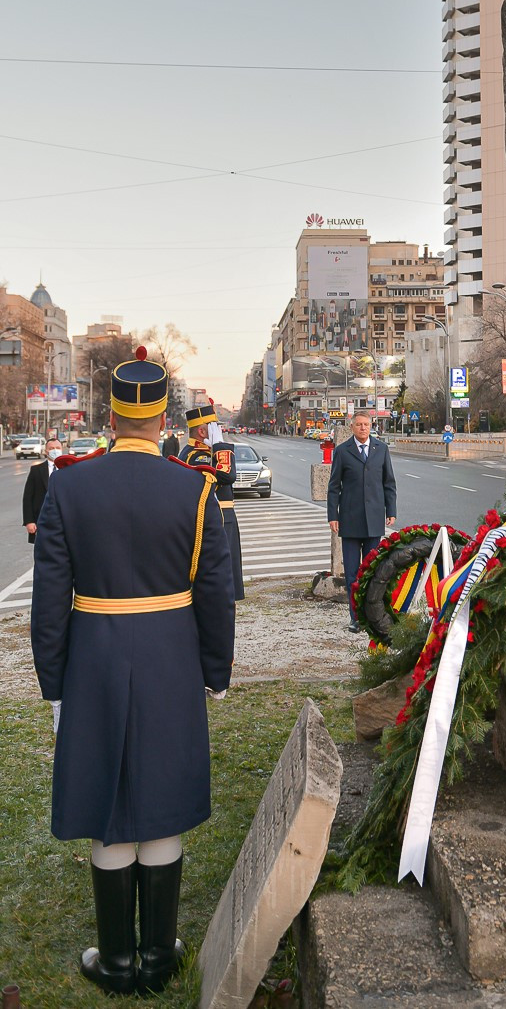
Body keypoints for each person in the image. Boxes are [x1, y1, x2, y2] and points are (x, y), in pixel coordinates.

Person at [30, 347, 235, 996]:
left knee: (110, 804)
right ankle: (156, 956)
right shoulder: (196, 489)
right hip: (171, 657)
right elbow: (214, 593)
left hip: (94, 655)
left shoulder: (68, 485)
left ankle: (116, 960)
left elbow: (48, 602)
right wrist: (215, 670)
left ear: (113, 414)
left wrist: (54, 687)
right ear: (162, 415)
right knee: (160, 799)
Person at [327, 408, 397, 632]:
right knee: (352, 573)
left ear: (371, 426)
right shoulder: (342, 451)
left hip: (375, 519)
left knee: (372, 572)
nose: (363, 428)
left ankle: (372, 617)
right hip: (350, 520)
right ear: (352, 427)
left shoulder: (381, 449)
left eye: (366, 425)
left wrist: (391, 510)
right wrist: (333, 516)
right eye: (359, 425)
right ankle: (355, 617)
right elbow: (334, 487)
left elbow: (389, 482)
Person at [180, 401, 244, 600]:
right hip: (215, 520)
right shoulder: (194, 456)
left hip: (222, 518)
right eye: (213, 427)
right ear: (201, 431)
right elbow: (227, 475)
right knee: (220, 585)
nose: (218, 430)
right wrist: (220, 447)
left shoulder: (205, 453)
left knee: (228, 583)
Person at [22, 436, 62, 545]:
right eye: (51, 448)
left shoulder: (69, 469)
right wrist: (29, 521)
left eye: (58, 448)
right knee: (43, 552)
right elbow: (28, 497)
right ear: (46, 451)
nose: (55, 451)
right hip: (42, 520)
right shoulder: (36, 470)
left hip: (63, 520)